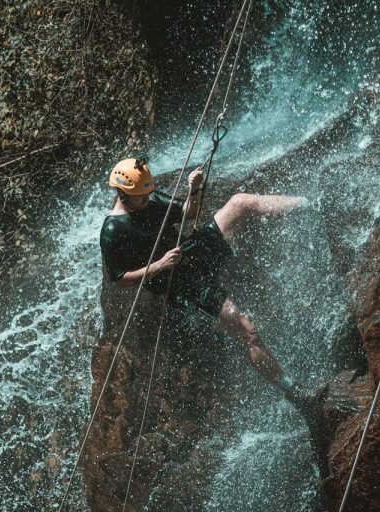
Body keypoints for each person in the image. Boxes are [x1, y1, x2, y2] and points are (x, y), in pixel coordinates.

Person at [99, 157, 326, 432]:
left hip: (190, 252)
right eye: (141, 197)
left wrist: (193, 189)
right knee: (248, 331)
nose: (147, 200)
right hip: (180, 286)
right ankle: (299, 397)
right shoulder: (112, 232)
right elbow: (120, 280)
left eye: (148, 194)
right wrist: (158, 265)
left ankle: (314, 203)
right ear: (123, 194)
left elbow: (189, 213)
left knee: (240, 203)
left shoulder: (148, 198)